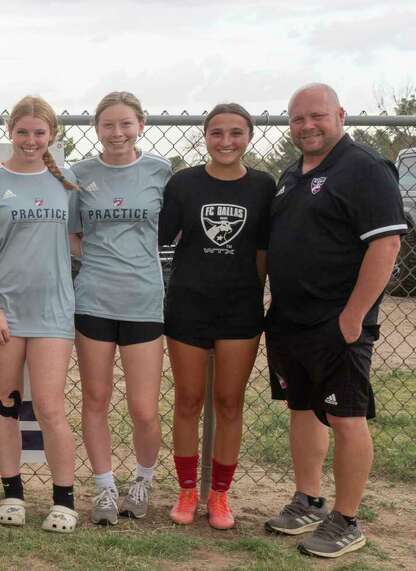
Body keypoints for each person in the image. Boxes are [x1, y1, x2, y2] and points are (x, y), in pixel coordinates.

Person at [264, 83, 406, 558]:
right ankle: (308, 500)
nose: (307, 126)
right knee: (302, 410)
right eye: (298, 119)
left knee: (346, 417)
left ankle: (346, 520)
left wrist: (353, 317)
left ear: (340, 115)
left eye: (316, 116)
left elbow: (385, 245)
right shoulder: (292, 174)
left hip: (336, 324)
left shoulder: (363, 168)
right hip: (290, 322)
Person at [0, 95, 80, 533]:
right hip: (2, 311)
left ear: (53, 135)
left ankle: (64, 499)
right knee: (6, 403)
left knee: (49, 407)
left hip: (52, 311)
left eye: (40, 133)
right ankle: (12, 494)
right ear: (10, 131)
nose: (31, 140)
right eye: (23, 131)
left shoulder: (66, 181)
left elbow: (81, 240)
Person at [158, 103, 275, 529]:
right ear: (205, 136)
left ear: (249, 136)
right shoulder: (184, 183)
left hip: (239, 310)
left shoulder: (264, 185)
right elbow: (158, 237)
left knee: (229, 402)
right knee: (188, 400)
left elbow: (263, 252)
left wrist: (250, 293)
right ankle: (188, 490)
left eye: (236, 133)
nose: (226, 141)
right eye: (217, 133)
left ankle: (220, 495)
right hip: (188, 304)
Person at [69, 91, 173, 525]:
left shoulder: (160, 172)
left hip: (144, 302)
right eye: (108, 125)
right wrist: (93, 259)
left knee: (144, 407)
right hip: (93, 299)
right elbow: (72, 233)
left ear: (141, 126)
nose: (117, 133)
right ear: (97, 129)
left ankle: (142, 481)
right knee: (95, 398)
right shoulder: (79, 174)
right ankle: (106, 487)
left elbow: (173, 230)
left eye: (125, 124)